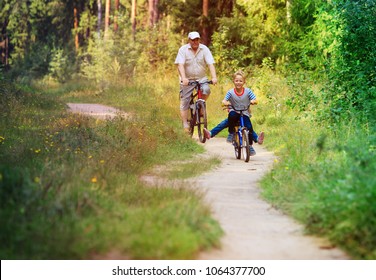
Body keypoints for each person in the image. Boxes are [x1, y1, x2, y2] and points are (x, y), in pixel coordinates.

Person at [203, 70, 264, 156]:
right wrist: (225, 102)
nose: (238, 82)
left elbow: (255, 98)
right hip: (234, 112)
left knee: (249, 127)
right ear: (234, 81)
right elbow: (224, 100)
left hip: (244, 113)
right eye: (236, 80)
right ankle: (224, 133)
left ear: (244, 82)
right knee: (225, 122)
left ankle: (254, 142)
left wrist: (254, 101)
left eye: (240, 81)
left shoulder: (248, 91)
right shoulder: (230, 92)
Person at [175, 31, 218, 133]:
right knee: (185, 100)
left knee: (206, 90)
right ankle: (185, 123)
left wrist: (214, 77)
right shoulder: (183, 50)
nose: (195, 42)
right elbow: (180, 65)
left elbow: (210, 64)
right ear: (189, 40)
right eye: (193, 40)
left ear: (199, 40)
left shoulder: (204, 49)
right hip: (187, 79)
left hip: (201, 78)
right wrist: (184, 78)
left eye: (197, 40)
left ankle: (200, 106)